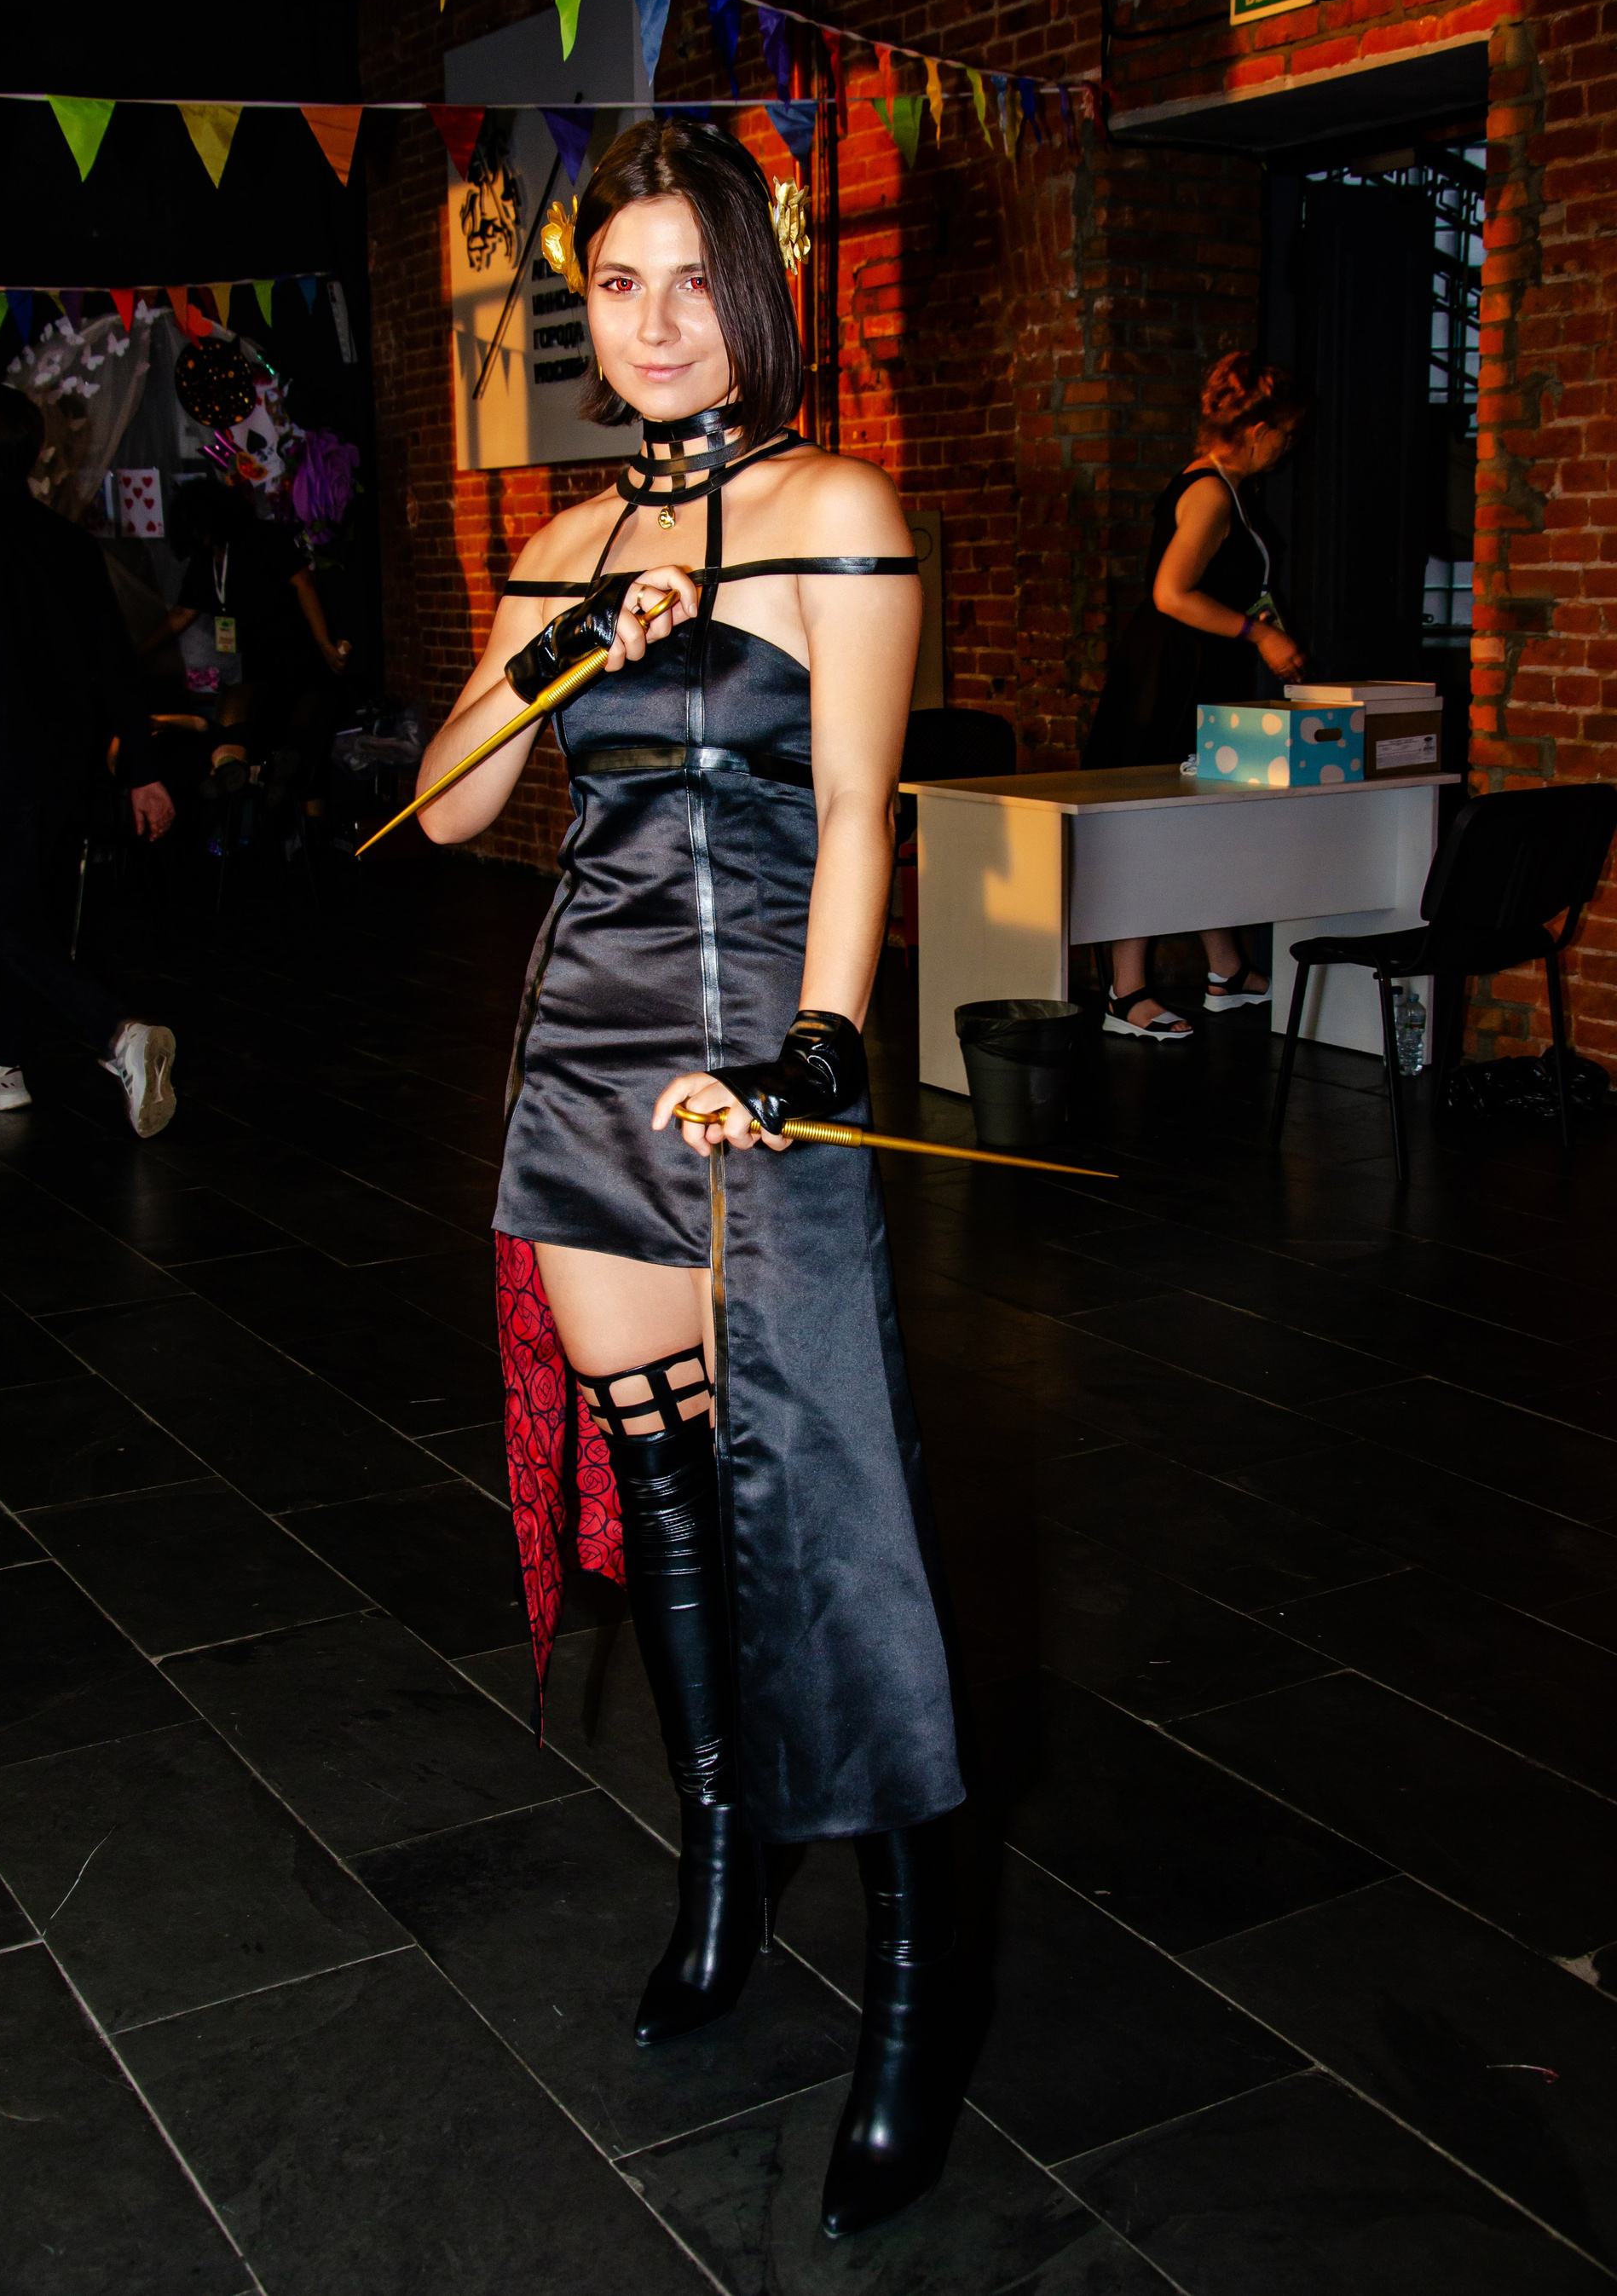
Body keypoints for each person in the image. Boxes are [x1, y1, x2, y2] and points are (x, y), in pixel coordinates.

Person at [416, 118, 965, 2238]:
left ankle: (913, 1979)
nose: (651, 324)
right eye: (614, 287)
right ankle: (722, 1863)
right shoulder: (561, 542)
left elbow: (857, 815)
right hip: (583, 1068)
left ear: (755, 289)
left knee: (828, 1528)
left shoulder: (839, 512)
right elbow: (453, 815)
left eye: (686, 279)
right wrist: (562, 650)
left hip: (750, 1083)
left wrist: (816, 1053)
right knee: (663, 1517)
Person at [1084, 350, 1307, 1041]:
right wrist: (1259, 635)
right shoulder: (1210, 493)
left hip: (1198, 676)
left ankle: (1227, 971)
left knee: (1204, 823)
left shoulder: (1231, 488)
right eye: (1286, 432)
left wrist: (1260, 629)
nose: (1289, 445)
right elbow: (1170, 593)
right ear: (1259, 429)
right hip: (1169, 683)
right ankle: (1125, 993)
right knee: (1148, 829)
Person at [0, 383, 178, 1137]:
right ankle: (1, 1064)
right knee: (18, 911)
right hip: (59, 768)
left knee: (3, 918)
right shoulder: (67, 543)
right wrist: (143, 771)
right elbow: (114, 666)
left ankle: (115, 1034)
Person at [143, 481, 350, 829]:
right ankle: (273, 824)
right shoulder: (207, 560)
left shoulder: (263, 537)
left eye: (196, 522)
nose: (194, 532)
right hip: (260, 665)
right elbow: (181, 614)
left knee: (306, 741)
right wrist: (138, 653)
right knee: (269, 741)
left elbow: (304, 584)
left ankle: (315, 836)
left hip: (299, 658)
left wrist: (324, 644)